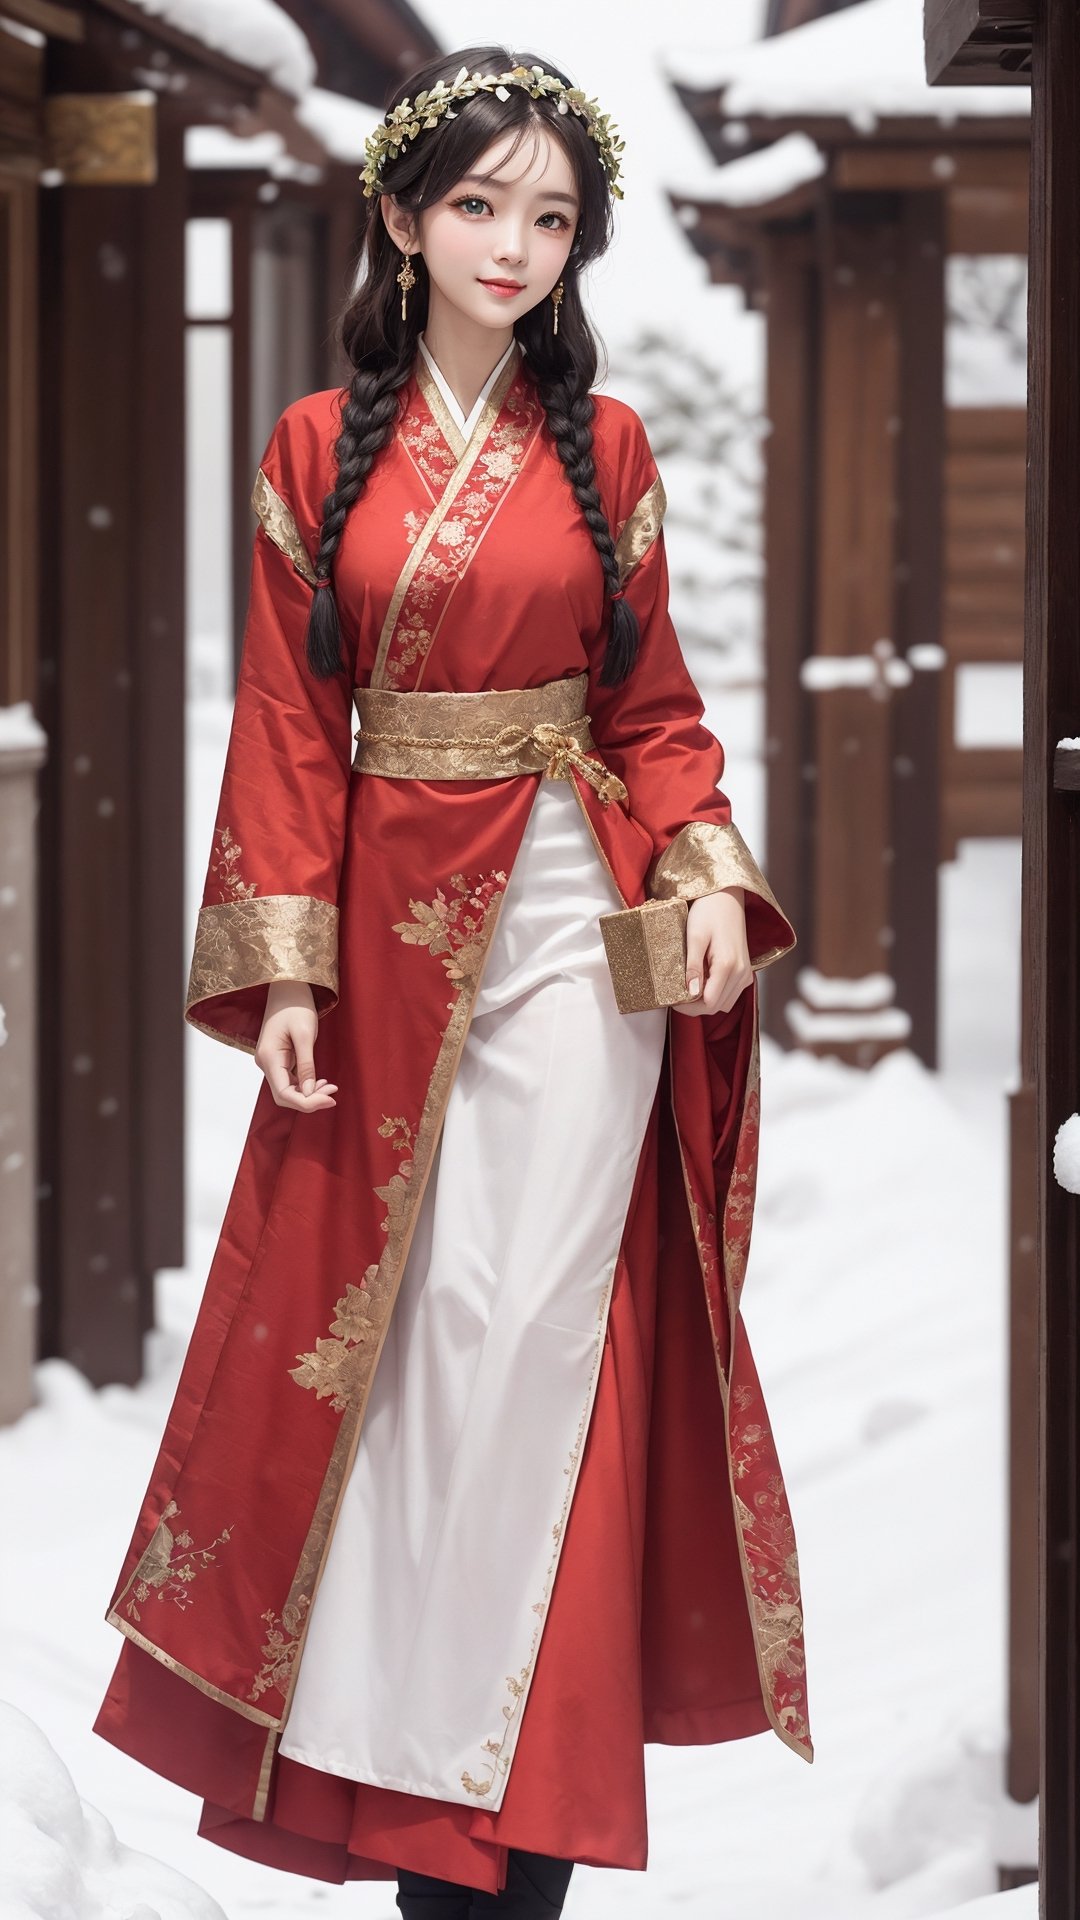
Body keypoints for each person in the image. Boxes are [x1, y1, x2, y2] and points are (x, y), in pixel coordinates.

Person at [92, 46, 813, 1917]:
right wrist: (292, 970)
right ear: (403, 221)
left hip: (577, 935)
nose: (517, 243)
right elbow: (286, 726)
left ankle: (518, 1798)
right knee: (405, 1355)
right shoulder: (317, 452)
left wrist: (705, 868)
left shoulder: (617, 448)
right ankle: (404, 1759)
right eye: (481, 204)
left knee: (538, 1336)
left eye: (553, 216)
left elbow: (652, 713)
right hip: (389, 926)